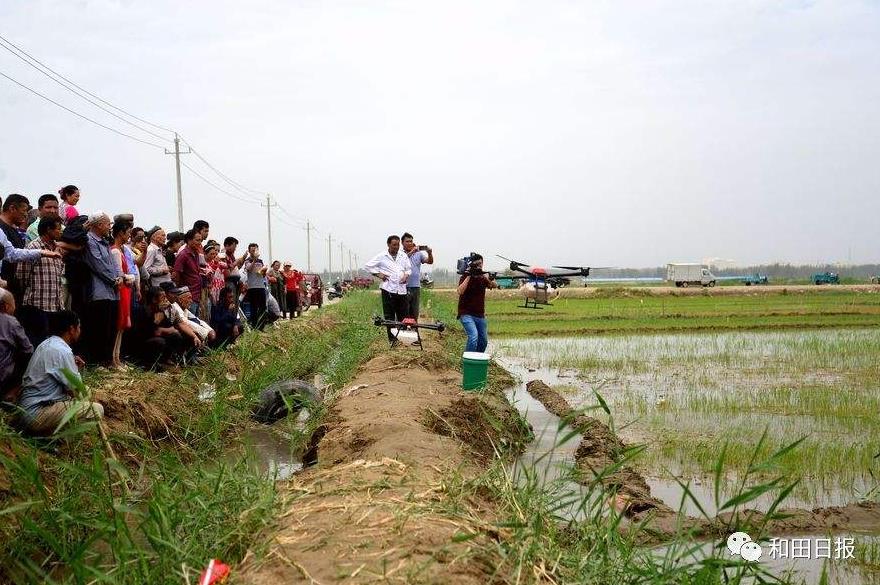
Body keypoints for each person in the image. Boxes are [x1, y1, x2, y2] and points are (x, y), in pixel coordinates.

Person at [17, 310, 104, 435]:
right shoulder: (62, 351)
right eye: (79, 327)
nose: (80, 330)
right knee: (97, 410)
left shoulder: (47, 344)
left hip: (27, 408)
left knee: (88, 392)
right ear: (71, 329)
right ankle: (54, 436)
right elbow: (76, 391)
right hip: (37, 413)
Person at [15, 216, 65, 347]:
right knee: (36, 342)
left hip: (55, 305)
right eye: (58, 229)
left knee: (51, 343)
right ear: (48, 229)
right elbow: (22, 276)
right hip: (37, 305)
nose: (61, 232)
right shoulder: (33, 247)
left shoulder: (57, 248)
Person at [82, 212, 122, 366]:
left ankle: (107, 361)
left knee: (111, 328)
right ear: (98, 225)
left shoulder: (105, 241)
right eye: (107, 224)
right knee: (100, 328)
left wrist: (119, 277)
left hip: (112, 291)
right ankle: (98, 363)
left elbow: (114, 264)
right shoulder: (90, 241)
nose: (109, 227)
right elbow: (98, 264)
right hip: (99, 291)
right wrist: (114, 280)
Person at [364, 235, 411, 345]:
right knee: (389, 316)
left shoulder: (403, 256)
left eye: (398, 244)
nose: (396, 247)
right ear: (388, 245)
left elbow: (408, 269)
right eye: (394, 245)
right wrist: (379, 274)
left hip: (401, 290)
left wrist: (405, 275)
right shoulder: (382, 256)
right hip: (388, 289)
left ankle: (403, 339)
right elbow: (368, 266)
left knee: (403, 316)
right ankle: (392, 340)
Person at [128, 287, 185, 368]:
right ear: (154, 300)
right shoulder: (143, 311)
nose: (166, 300)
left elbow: (172, 329)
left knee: (176, 335)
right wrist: (156, 322)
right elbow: (145, 333)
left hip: (156, 338)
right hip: (142, 344)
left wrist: (161, 330)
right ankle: (149, 363)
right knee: (159, 341)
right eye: (163, 297)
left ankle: (165, 360)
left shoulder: (160, 311)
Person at [456, 253, 497, 353]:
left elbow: (494, 285)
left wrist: (491, 278)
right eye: (476, 263)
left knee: (483, 341)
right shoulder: (465, 276)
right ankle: (468, 361)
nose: (479, 265)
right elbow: (460, 291)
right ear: (471, 264)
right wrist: (470, 276)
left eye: (480, 263)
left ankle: (477, 360)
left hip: (480, 314)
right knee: (473, 336)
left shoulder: (483, 277)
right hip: (466, 313)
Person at [110, 220, 137, 370]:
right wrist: (130, 277)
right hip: (121, 290)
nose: (128, 236)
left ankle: (117, 358)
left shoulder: (121, 250)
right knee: (118, 325)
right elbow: (119, 275)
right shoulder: (115, 251)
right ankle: (114, 360)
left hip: (126, 290)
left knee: (122, 327)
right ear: (120, 233)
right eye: (127, 233)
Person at [0, 289, 33, 406]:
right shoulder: (10, 321)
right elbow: (28, 348)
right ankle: (11, 394)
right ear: (5, 306)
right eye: (13, 303)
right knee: (29, 357)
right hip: (3, 377)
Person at [0, 194, 35, 298]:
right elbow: (12, 254)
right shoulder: (1, 229)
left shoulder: (15, 232)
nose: (26, 215)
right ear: (12, 208)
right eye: (24, 210)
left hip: (12, 288)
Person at [401, 232, 434, 323]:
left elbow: (429, 261)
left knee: (414, 312)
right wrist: (412, 252)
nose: (410, 243)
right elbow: (401, 261)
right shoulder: (400, 254)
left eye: (411, 241)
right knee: (404, 313)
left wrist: (429, 253)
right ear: (402, 243)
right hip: (403, 287)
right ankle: (403, 333)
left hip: (415, 287)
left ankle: (415, 332)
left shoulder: (418, 254)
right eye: (407, 241)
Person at [172, 229, 203, 315]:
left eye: (200, 240)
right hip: (188, 297)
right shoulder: (183, 255)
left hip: (196, 296)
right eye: (197, 240)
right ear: (189, 240)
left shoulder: (196, 254)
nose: (200, 243)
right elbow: (175, 275)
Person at [243, 243, 268, 329]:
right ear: (249, 251)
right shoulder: (247, 260)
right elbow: (249, 269)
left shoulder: (260, 261)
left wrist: (264, 271)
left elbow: (262, 274)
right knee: (253, 307)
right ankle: (254, 326)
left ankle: (262, 326)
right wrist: (254, 260)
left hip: (261, 286)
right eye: (252, 250)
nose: (254, 251)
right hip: (252, 287)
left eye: (255, 250)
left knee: (262, 307)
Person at [222, 236, 245, 312]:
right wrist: (236, 262)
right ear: (227, 245)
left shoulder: (231, 256)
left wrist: (242, 260)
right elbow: (227, 271)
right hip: (228, 282)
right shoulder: (223, 255)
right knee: (230, 303)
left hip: (235, 282)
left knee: (235, 304)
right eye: (234, 246)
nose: (235, 249)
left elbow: (236, 269)